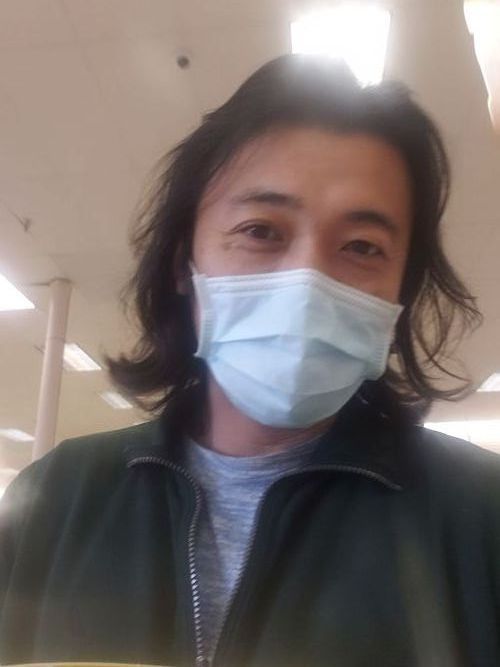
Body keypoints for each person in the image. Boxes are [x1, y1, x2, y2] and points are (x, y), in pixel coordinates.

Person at [0, 54, 498, 667]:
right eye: (261, 231)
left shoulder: (483, 516)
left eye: (362, 246)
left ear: (401, 290)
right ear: (185, 263)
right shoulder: (57, 497)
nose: (307, 281)